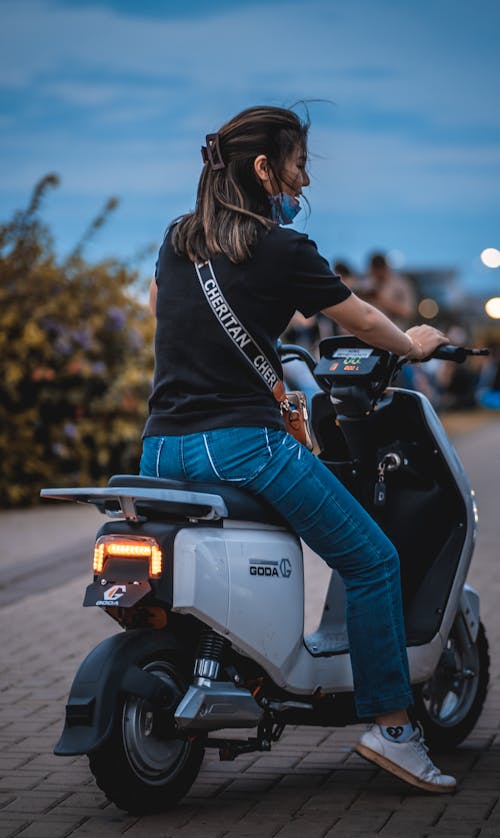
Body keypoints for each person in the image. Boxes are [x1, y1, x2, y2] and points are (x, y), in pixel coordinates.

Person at [140, 105, 454, 793]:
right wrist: (413, 344)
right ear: (264, 169)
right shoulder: (282, 248)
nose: (303, 179)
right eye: (299, 164)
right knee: (372, 559)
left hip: (159, 451)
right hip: (242, 448)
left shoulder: (178, 240)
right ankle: (396, 730)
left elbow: (162, 315)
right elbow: (363, 318)